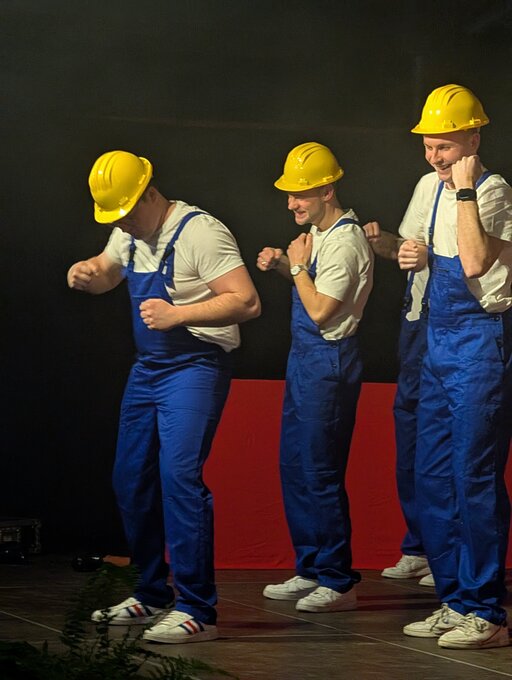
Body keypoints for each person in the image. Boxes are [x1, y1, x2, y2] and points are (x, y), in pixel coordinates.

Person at [67, 150, 261, 644]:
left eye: (127, 214)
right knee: (130, 479)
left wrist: (179, 314)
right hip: (148, 369)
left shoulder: (200, 232)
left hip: (195, 365)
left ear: (150, 194)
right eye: (116, 218)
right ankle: (151, 593)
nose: (123, 225)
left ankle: (197, 610)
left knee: (179, 479)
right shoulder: (127, 231)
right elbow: (109, 271)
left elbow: (246, 301)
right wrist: (89, 273)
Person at [394, 84, 512, 649]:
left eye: (444, 146)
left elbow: (474, 260)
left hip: (479, 345)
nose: (434, 156)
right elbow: (418, 248)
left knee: (474, 477)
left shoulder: (491, 190)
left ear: (473, 140)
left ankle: (486, 612)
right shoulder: (432, 188)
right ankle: (455, 600)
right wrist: (409, 252)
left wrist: (463, 189)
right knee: (433, 476)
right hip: (436, 341)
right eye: (428, 146)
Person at [257, 142, 374, 612]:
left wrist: (296, 265)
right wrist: (286, 267)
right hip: (304, 361)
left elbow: (323, 310)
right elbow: (314, 289)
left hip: (329, 362)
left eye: (300, 194)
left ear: (328, 190)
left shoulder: (345, 241)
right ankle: (310, 567)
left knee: (321, 471)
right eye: (289, 194)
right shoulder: (318, 233)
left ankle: (337, 580)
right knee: (295, 466)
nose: (291, 204)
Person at [362, 224, 434, 588]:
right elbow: (402, 249)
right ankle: (419, 547)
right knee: (409, 451)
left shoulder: (480, 199)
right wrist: (385, 243)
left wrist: (429, 256)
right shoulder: (424, 195)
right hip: (413, 331)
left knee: (441, 453)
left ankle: (446, 554)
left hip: (447, 331)